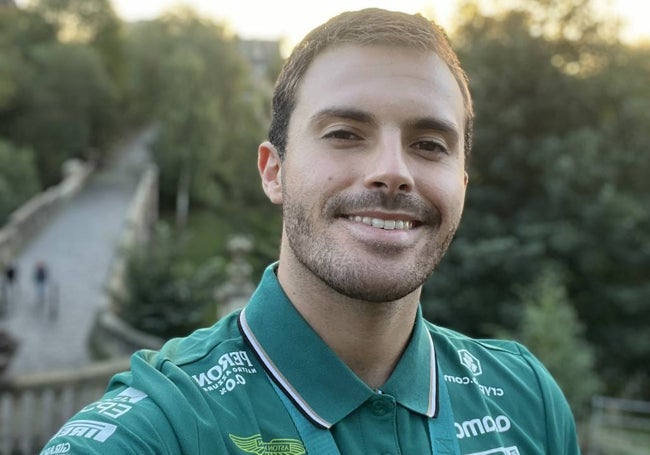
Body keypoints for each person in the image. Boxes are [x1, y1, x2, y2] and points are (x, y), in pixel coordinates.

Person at [40, 8, 580, 454]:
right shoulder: (162, 428)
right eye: (345, 133)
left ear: (461, 182)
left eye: (430, 144)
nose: (393, 170)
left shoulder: (527, 399)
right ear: (274, 171)